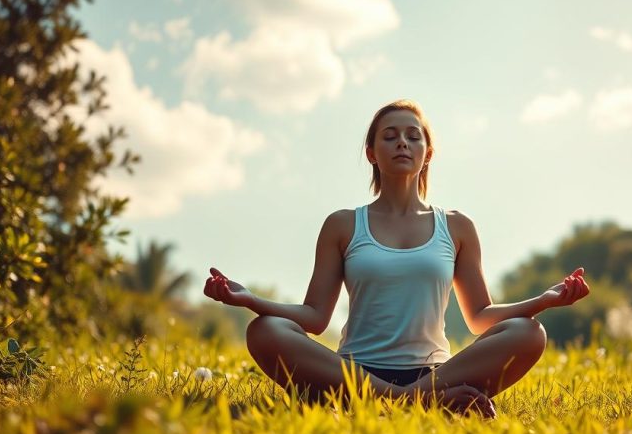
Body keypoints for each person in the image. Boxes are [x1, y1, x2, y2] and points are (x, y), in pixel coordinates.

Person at [204, 99, 590, 417]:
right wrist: (249, 300)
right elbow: (315, 318)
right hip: (354, 373)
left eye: (412, 136)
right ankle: (417, 404)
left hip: (437, 372)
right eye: (390, 137)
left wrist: (543, 301)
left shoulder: (456, 227)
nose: (402, 142)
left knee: (529, 333)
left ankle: (399, 400)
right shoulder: (342, 225)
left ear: (427, 153)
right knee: (264, 330)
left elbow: (480, 317)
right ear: (372, 154)